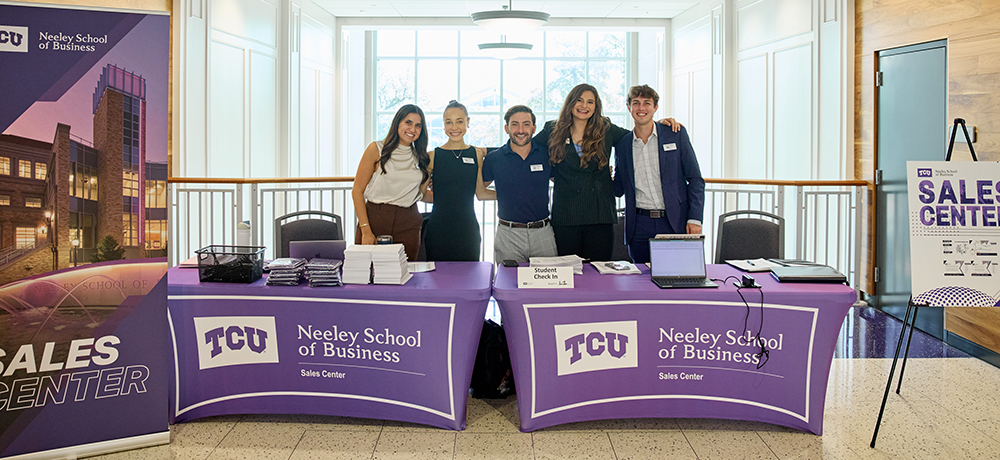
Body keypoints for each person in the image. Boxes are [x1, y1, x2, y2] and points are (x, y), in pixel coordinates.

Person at [534, 83, 679, 261]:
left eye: (590, 102)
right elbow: (529, 150)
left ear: (596, 106)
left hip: (600, 215)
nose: (584, 106)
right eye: (579, 100)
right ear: (570, 102)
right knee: (569, 272)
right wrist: (549, 173)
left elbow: (636, 138)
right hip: (566, 215)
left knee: (599, 271)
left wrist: (659, 126)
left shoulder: (605, 128)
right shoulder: (553, 129)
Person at [613, 85, 705, 264]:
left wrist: (695, 218)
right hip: (639, 225)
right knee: (641, 279)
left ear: (655, 107)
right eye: (636, 103)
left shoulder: (675, 134)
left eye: (647, 103)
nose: (641, 108)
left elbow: (695, 179)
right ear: (629, 107)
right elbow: (618, 187)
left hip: (674, 222)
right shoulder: (622, 145)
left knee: (678, 274)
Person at [351, 104, 430, 261]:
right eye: (408, 122)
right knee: (367, 270)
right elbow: (357, 191)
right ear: (397, 123)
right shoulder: (376, 149)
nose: (413, 129)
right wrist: (365, 230)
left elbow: (420, 194)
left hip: (408, 222)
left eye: (418, 125)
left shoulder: (421, 157)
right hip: (375, 219)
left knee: (406, 271)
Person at [481, 105, 557, 263]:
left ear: (534, 128)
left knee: (548, 279)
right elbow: (479, 190)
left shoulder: (547, 155)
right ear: (506, 128)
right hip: (508, 235)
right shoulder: (494, 159)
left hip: (543, 233)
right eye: (514, 124)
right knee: (508, 279)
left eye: (526, 124)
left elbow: (565, 183)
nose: (520, 130)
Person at [423, 100, 495, 261]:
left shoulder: (476, 155)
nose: (454, 127)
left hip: (467, 230)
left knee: (469, 275)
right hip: (438, 229)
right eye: (449, 122)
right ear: (443, 125)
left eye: (459, 121)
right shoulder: (432, 157)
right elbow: (420, 194)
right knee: (438, 275)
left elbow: (481, 193)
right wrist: (442, 194)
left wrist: (510, 194)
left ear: (468, 122)